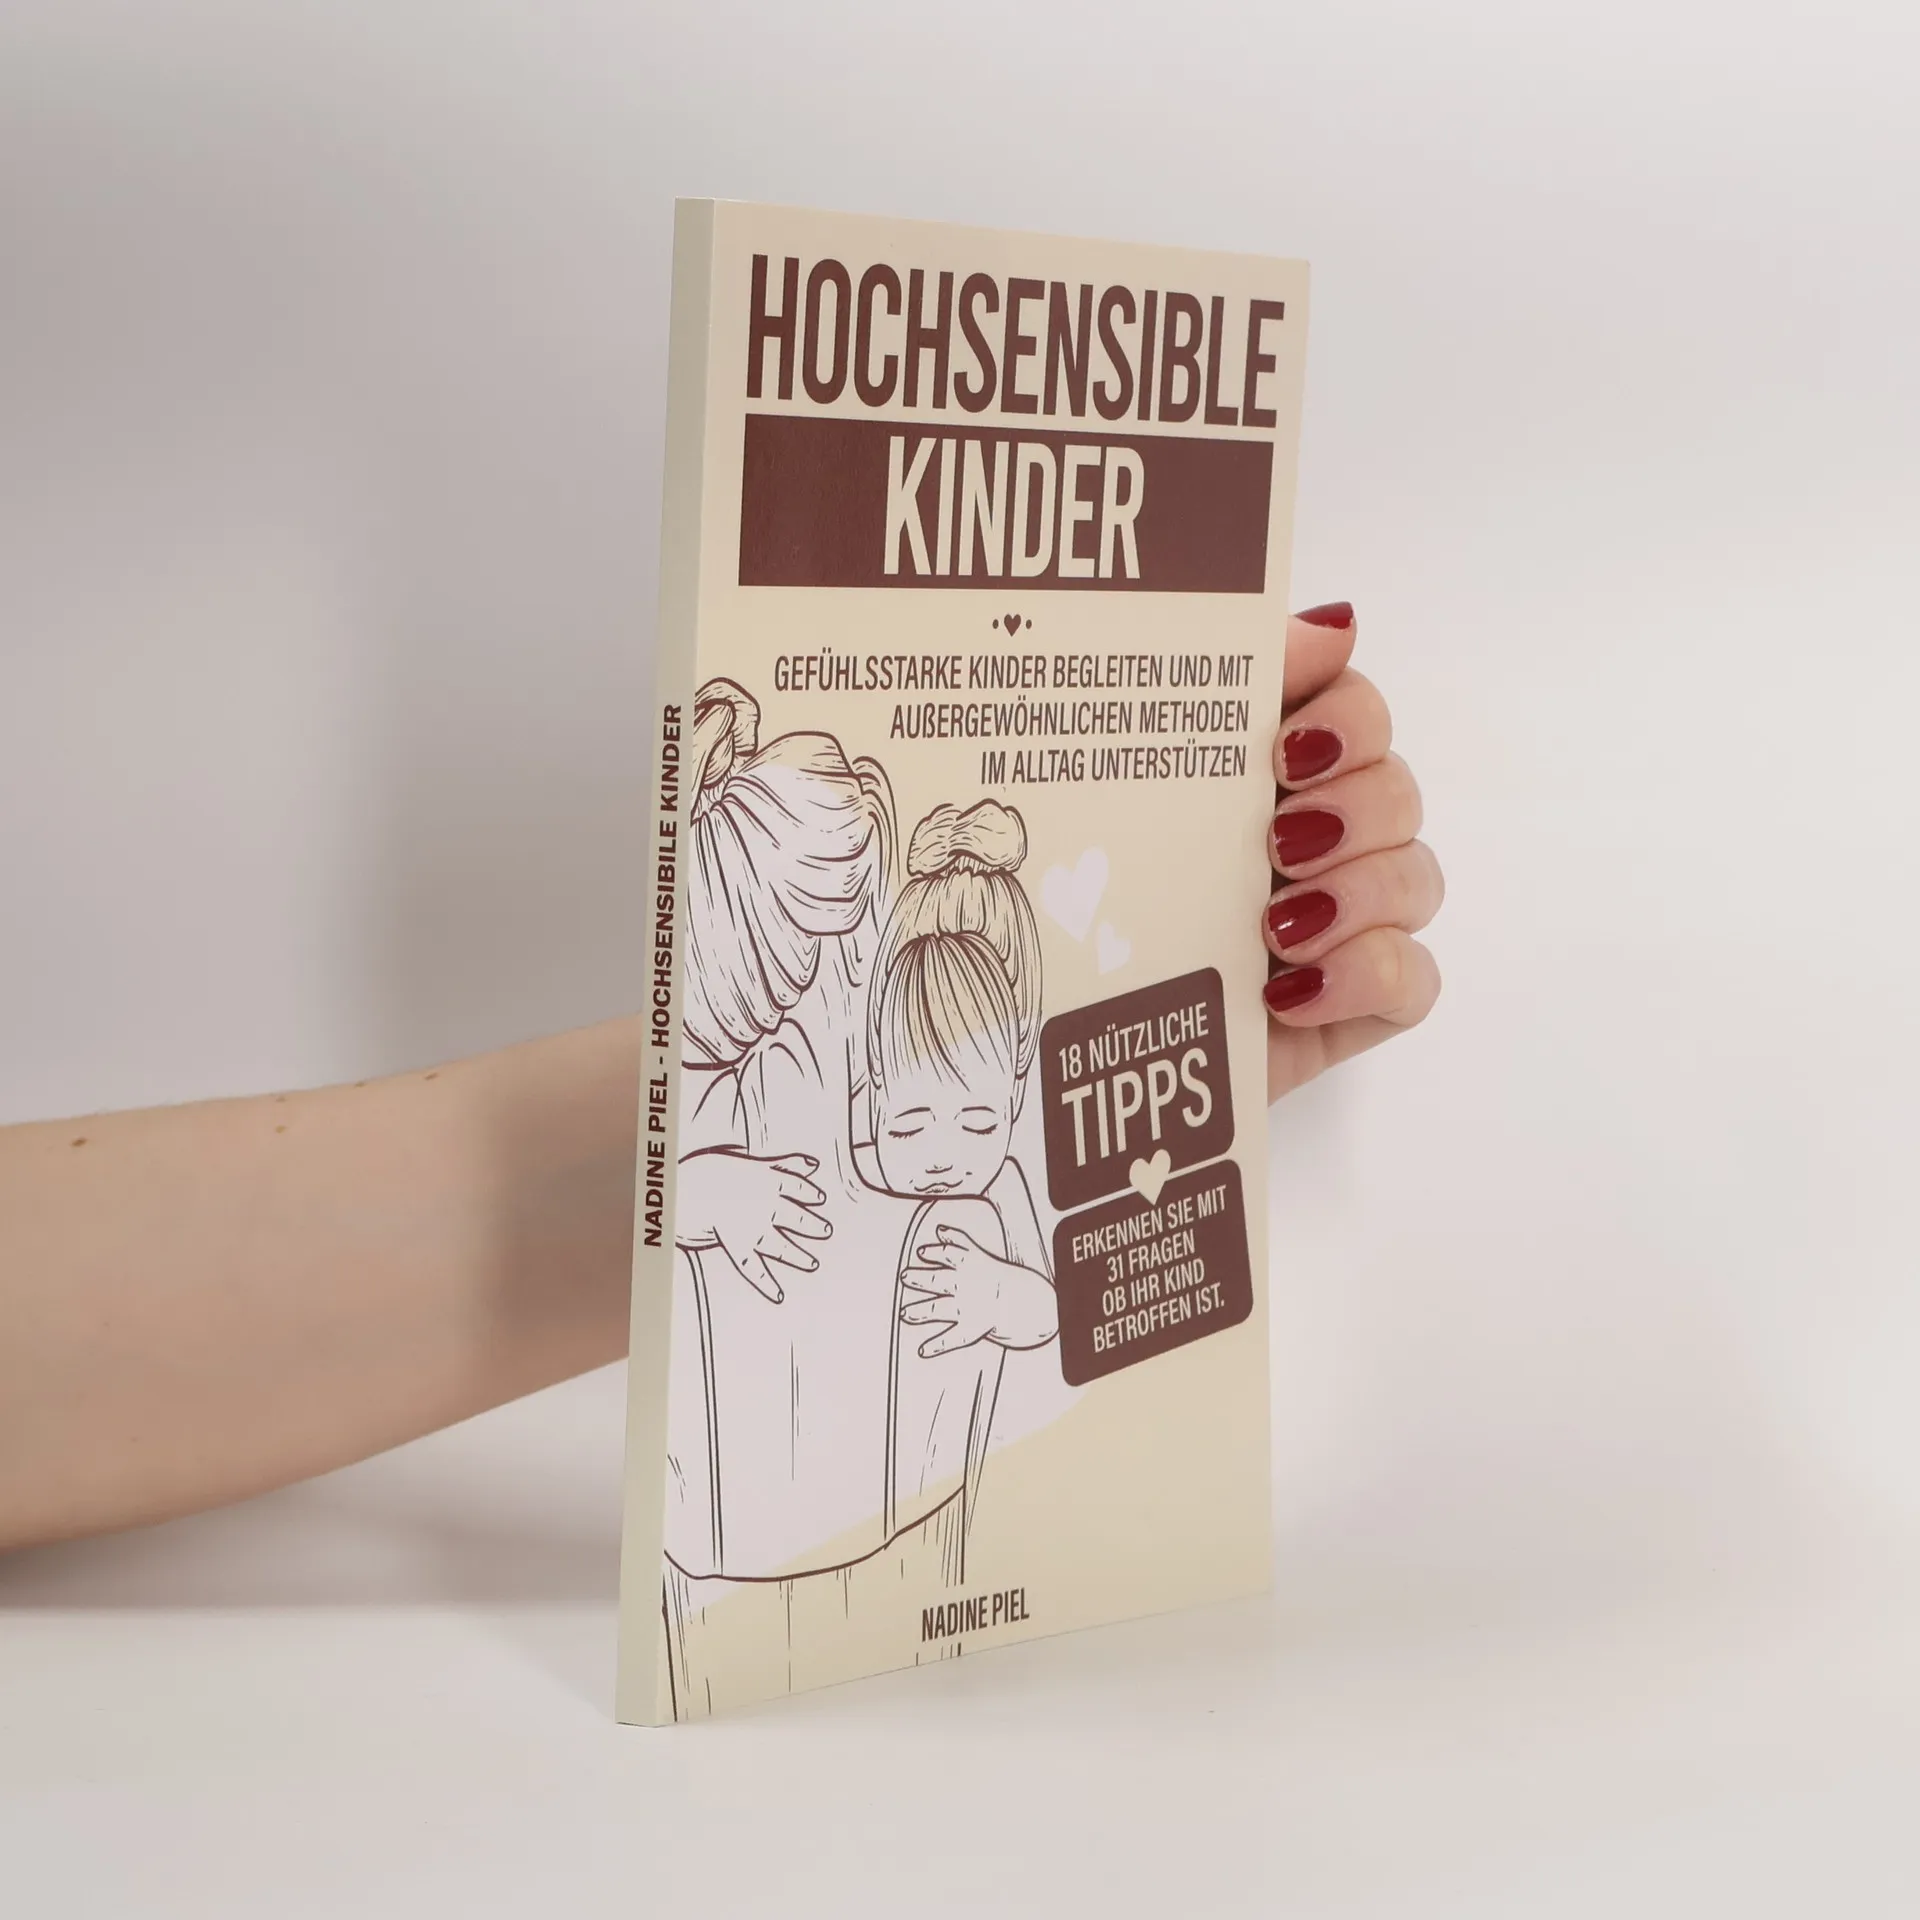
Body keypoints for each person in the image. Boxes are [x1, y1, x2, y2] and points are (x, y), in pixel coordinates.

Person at [0, 603, 1443, 1555]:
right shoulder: (787, 1092)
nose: (848, 977)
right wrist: (687, 1183)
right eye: (822, 941)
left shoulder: (909, 1099)